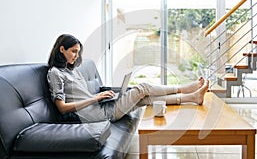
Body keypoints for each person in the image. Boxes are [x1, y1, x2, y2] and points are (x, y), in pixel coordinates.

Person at [47, 34, 209, 123]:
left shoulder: (71, 71)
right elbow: (62, 108)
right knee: (143, 88)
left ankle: (193, 97)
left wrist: (102, 96)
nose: (76, 56)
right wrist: (95, 98)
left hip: (102, 107)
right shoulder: (55, 73)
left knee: (147, 98)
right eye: (73, 51)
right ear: (62, 49)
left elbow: (84, 96)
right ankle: (186, 88)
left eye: (78, 52)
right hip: (100, 115)